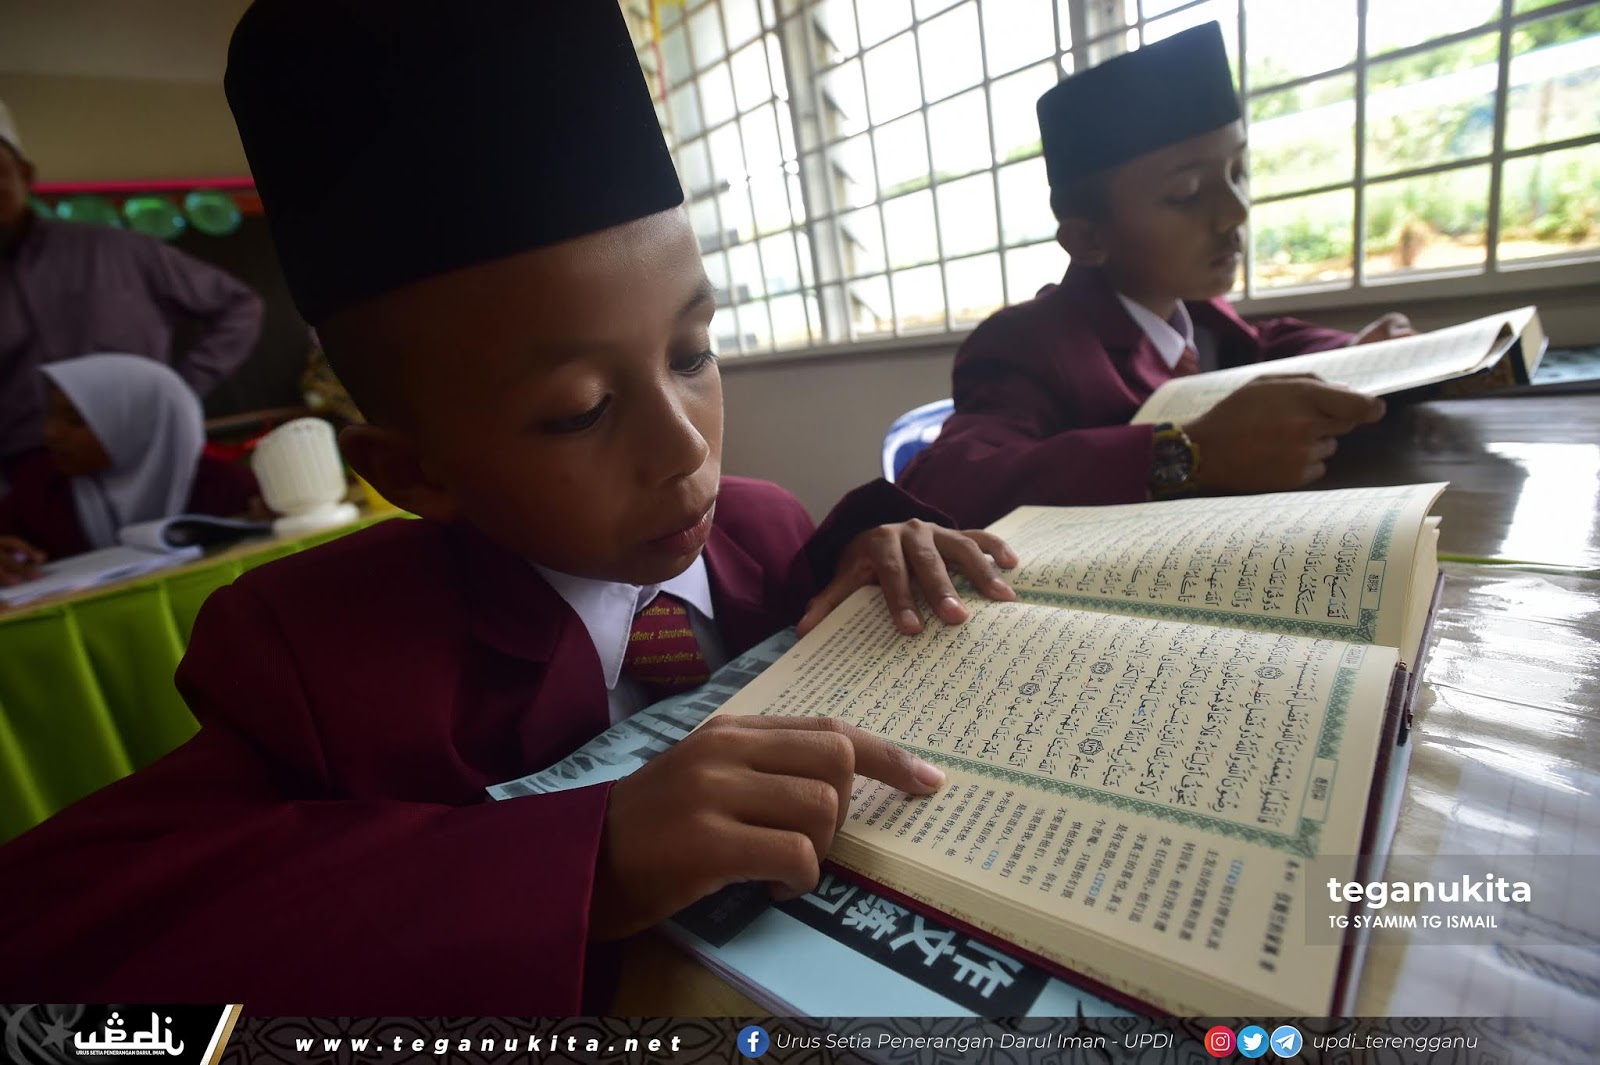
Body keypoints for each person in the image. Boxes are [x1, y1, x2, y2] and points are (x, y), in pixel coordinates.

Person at [0, 0, 1018, 1013]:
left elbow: (818, 619)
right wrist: (581, 862)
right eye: (579, 410)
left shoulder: (763, 527)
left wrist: (880, 546)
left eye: (693, 353)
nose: (685, 448)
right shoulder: (318, 653)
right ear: (414, 473)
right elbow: (50, 926)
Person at [897, 23, 1411, 529]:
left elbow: (1265, 345)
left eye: (1238, 174)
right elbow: (943, 484)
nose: (1235, 211)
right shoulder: (1028, 344)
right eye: (1187, 192)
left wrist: (1361, 350)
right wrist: (1188, 454)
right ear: (1088, 240)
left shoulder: (1197, 317)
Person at [0, 99, 264, 473]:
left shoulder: (115, 249)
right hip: (28, 479)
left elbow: (239, 306)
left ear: (24, 175)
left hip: (148, 455)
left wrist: (177, 393)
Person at [0, 354, 259, 582]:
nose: (51, 433)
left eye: (75, 421)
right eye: (51, 416)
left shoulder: (228, 488)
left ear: (138, 426)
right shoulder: (41, 486)